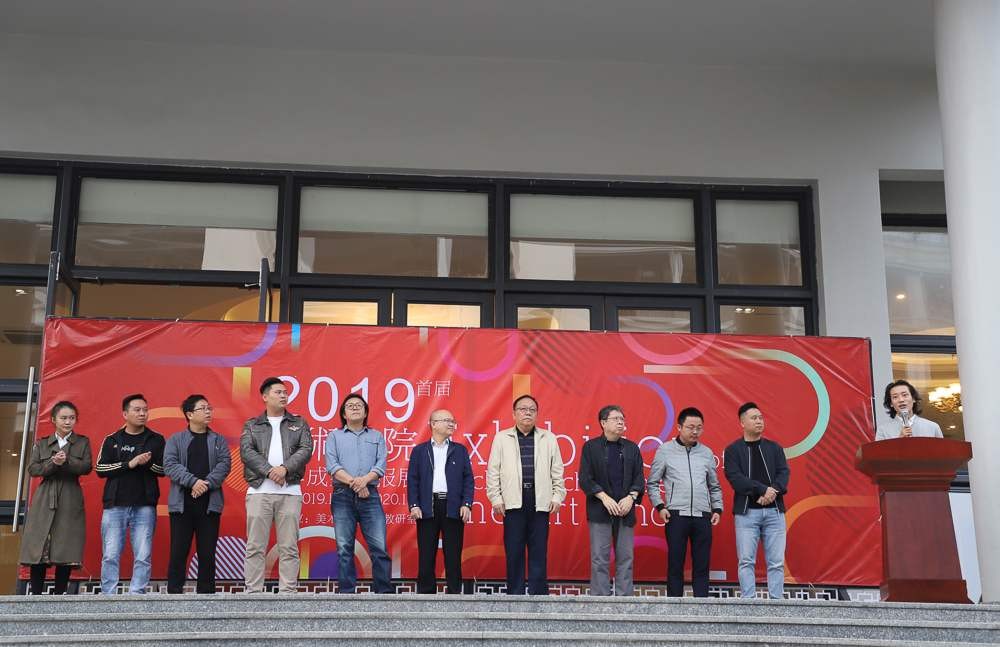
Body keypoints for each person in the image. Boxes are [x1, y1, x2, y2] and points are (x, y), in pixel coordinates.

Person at [486, 394, 566, 595]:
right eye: (522, 409)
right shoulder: (502, 438)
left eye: (532, 409)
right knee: (514, 550)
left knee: (539, 550)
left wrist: (557, 496)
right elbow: (493, 471)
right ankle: (515, 594)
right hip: (512, 501)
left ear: (537, 414)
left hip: (540, 500)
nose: (527, 412)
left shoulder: (548, 438)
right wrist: (496, 498)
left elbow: (557, 471)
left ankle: (538, 595)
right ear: (514, 414)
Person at [240, 377, 313, 593]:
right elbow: (246, 452)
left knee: (289, 546)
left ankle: (288, 592)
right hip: (259, 491)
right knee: (255, 546)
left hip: (290, 491)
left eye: (285, 392)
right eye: (278, 392)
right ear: (265, 396)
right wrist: (270, 471)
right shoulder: (252, 425)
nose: (283, 396)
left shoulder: (299, 423)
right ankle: (253, 592)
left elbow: (305, 449)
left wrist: (284, 469)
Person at [646, 407, 722, 597]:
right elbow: (652, 483)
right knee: (675, 564)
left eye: (699, 428)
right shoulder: (665, 450)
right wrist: (660, 506)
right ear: (679, 427)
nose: (695, 431)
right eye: (690, 427)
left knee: (702, 564)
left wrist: (717, 509)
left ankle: (701, 606)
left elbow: (714, 485)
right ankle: (674, 606)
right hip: (676, 515)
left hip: (703, 515)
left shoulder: (706, 453)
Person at [19, 401, 92, 595]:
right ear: (53, 420)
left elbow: (86, 467)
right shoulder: (42, 443)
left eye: (72, 418)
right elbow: (33, 469)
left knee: (66, 544)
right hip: (45, 496)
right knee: (40, 542)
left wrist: (66, 460)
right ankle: (35, 595)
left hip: (70, 495)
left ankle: (60, 595)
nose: (68, 422)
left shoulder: (82, 442)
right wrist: (53, 463)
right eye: (64, 418)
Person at [95, 393, 166, 595]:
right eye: (137, 410)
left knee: (143, 555)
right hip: (115, 505)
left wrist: (147, 464)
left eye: (145, 410)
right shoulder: (112, 440)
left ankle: (137, 593)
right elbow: (100, 469)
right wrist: (130, 463)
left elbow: (164, 470)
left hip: (145, 505)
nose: (142, 413)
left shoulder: (156, 439)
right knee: (110, 554)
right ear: (125, 414)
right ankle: (108, 594)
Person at [164, 394, 232, 594]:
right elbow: (170, 465)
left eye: (209, 408)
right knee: (178, 551)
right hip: (182, 505)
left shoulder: (218, 440)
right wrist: (193, 481)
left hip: (209, 505)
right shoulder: (176, 439)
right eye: (203, 408)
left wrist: (207, 483)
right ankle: (174, 594)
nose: (208, 411)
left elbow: (225, 464)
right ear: (190, 414)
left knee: (207, 553)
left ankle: (207, 596)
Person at [325, 393, 393, 593]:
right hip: (342, 495)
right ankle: (347, 593)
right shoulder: (334, 436)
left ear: (365, 413)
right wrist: (356, 483)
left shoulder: (376, 436)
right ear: (343, 414)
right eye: (350, 405)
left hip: (370, 494)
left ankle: (384, 594)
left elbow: (381, 465)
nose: (355, 407)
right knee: (344, 548)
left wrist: (364, 481)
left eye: (359, 405)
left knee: (379, 547)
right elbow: (332, 466)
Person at [723, 401, 790, 599]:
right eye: (754, 418)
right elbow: (736, 479)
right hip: (747, 514)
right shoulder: (733, 450)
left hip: (774, 512)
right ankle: (748, 602)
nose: (759, 421)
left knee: (776, 562)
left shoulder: (774, 448)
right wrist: (763, 490)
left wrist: (773, 492)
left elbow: (783, 473)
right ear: (742, 423)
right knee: (746, 561)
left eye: (760, 417)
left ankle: (777, 603)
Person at [578, 404, 644, 596]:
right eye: (616, 419)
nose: (620, 422)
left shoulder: (632, 448)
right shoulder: (591, 447)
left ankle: (625, 600)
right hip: (600, 510)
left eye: (622, 419)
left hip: (625, 510)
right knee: (600, 558)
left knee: (626, 558)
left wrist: (631, 497)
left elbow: (639, 478)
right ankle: (600, 601)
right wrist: (603, 497)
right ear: (603, 423)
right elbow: (585, 478)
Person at [407, 409, 474, 594]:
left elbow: (468, 479)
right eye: (446, 420)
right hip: (427, 507)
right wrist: (414, 505)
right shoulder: (420, 451)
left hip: (452, 506)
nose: (451, 423)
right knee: (426, 553)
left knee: (453, 554)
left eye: (452, 420)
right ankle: (426, 595)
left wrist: (466, 503)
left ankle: (454, 593)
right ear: (433, 424)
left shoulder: (459, 450)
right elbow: (412, 480)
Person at [875, 379, 944, 441]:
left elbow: (942, 450)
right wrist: (899, 440)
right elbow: (880, 451)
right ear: (891, 403)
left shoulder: (932, 427)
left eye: (904, 395)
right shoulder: (883, 430)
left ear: (913, 399)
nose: (901, 400)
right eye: (895, 397)